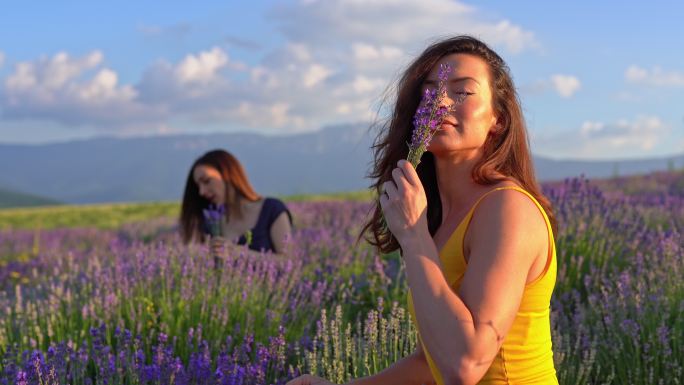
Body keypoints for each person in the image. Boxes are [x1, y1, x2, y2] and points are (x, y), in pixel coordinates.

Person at [287, 36, 559, 384]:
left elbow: (464, 365)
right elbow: (431, 361)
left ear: (499, 119)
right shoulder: (440, 214)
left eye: (462, 92)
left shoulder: (507, 209)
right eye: (429, 92)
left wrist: (414, 236)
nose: (440, 102)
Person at [180, 149, 292, 255]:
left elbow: (289, 262)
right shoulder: (210, 224)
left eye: (207, 181)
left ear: (228, 175)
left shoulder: (272, 210)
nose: (202, 192)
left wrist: (238, 253)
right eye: (198, 186)